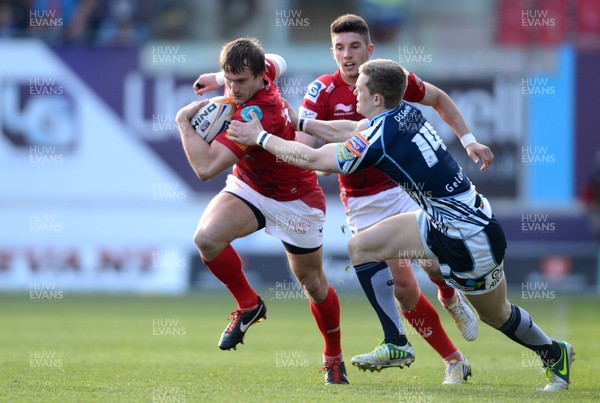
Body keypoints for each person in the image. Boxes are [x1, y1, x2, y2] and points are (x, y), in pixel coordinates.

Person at [226, 58, 575, 392]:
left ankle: (553, 352)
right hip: (444, 220)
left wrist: (261, 137)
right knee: (361, 247)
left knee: (496, 315)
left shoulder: (379, 137)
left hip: (470, 239)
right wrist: (298, 123)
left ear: (376, 98)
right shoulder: (402, 112)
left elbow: (314, 158)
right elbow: (351, 129)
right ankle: (395, 341)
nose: (354, 94)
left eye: (360, 90)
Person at [297, 13, 492, 384]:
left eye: (355, 46)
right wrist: (317, 165)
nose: (347, 54)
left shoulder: (389, 78)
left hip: (402, 188)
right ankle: (454, 360)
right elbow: (305, 149)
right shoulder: (322, 91)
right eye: (339, 47)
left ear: (369, 49)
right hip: (361, 202)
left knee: (432, 264)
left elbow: (438, 98)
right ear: (332, 51)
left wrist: (468, 139)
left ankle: (449, 296)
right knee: (403, 287)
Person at [176, 37, 348, 384]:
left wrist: (183, 122)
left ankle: (334, 357)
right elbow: (278, 58)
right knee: (207, 239)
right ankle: (249, 305)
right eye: (230, 80)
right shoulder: (262, 69)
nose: (234, 89)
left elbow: (206, 169)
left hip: (295, 197)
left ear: (258, 78)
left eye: (241, 82)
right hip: (252, 187)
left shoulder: (257, 112)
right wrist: (217, 78)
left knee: (313, 284)